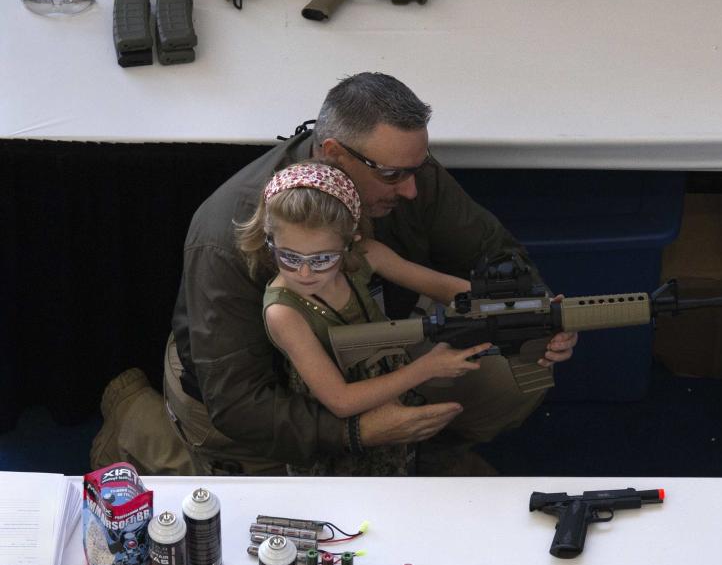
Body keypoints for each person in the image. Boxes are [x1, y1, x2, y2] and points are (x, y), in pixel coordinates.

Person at [164, 72, 577, 476]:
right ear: (334, 154)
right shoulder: (227, 234)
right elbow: (239, 404)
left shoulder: (403, 170)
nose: (412, 190)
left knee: (517, 375)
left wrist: (534, 311)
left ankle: (422, 456)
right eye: (393, 175)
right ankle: (139, 426)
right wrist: (355, 433)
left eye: (418, 168)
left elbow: (493, 252)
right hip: (264, 401)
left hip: (369, 353)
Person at [236, 162, 492, 466]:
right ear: (269, 241)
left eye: (323, 259)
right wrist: (428, 368)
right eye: (289, 257)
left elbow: (445, 288)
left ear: (350, 242)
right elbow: (341, 401)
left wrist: (519, 305)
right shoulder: (283, 312)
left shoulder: (366, 255)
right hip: (343, 450)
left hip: (394, 404)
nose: (304, 272)